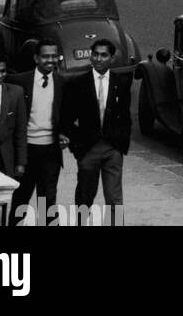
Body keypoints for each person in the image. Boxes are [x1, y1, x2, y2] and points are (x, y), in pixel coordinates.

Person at [59, 38, 131, 225]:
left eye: (104, 55)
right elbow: (66, 117)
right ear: (91, 56)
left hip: (113, 149)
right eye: (95, 54)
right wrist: (77, 145)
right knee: (85, 197)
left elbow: (125, 117)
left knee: (114, 198)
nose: (99, 58)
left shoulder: (121, 83)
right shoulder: (77, 83)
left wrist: (121, 145)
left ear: (112, 58)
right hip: (88, 149)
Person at [7, 40, 67, 226]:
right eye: (45, 56)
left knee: (48, 200)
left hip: (51, 152)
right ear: (36, 58)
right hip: (26, 151)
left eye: (53, 56)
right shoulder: (20, 81)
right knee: (21, 198)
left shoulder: (63, 83)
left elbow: (67, 114)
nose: (50, 60)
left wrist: (65, 133)